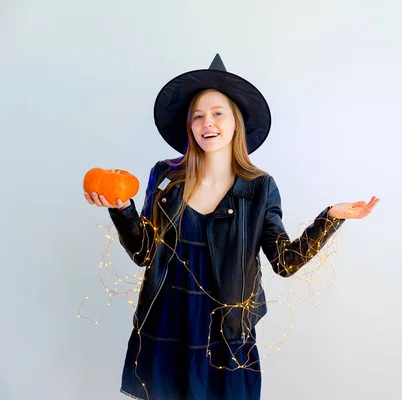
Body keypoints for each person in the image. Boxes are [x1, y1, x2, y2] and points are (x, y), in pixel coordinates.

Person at [84, 53, 379, 400]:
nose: (207, 123)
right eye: (198, 116)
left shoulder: (258, 188)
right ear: (190, 126)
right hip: (166, 325)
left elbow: (284, 262)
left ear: (236, 122)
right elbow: (144, 252)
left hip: (225, 338)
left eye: (217, 113)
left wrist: (331, 217)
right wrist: (122, 209)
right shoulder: (166, 177)